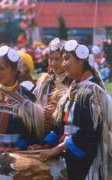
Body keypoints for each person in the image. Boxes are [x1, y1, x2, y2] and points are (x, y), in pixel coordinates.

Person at [37, 40, 112, 180]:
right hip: (71, 156)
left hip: (87, 163)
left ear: (81, 60)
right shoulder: (74, 89)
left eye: (66, 59)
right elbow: (61, 126)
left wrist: (58, 148)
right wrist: (45, 145)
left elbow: (89, 133)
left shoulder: (92, 93)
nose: (63, 64)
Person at [0, 45, 36, 153]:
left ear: (15, 70)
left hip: (18, 155)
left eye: (2, 69)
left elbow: (31, 133)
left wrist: (17, 148)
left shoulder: (27, 97)